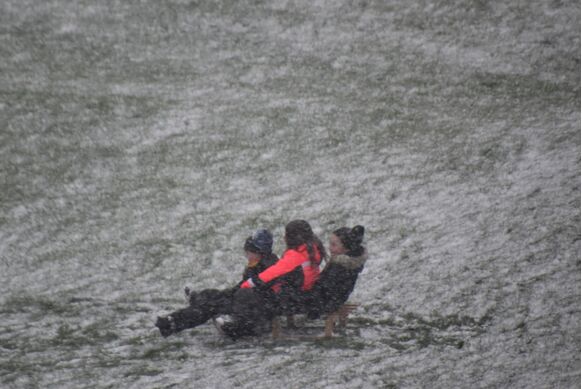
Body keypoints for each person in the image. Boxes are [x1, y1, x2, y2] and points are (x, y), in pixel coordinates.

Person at [155, 229, 278, 337]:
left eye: (248, 252)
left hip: (251, 307)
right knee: (212, 295)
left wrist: (232, 299)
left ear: (258, 252)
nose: (246, 255)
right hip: (246, 302)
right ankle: (196, 301)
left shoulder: (265, 268)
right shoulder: (259, 264)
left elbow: (255, 292)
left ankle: (173, 323)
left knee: (210, 307)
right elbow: (243, 286)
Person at [218, 220, 327, 339]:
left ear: (291, 238)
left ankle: (242, 327)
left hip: (295, 299)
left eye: (286, 234)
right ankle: (242, 322)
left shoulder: (296, 255)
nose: (284, 237)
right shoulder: (313, 249)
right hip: (306, 293)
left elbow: (273, 273)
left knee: (249, 294)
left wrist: (248, 283)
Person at [304, 225, 368, 318]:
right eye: (330, 244)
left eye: (333, 245)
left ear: (346, 248)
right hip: (333, 299)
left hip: (324, 302)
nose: (329, 248)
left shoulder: (339, 266)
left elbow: (325, 288)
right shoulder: (350, 261)